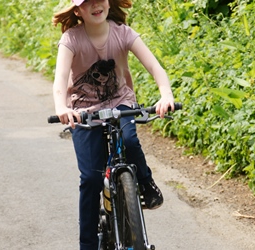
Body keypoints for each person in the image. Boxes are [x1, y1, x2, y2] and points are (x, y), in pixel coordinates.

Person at [52, 0, 175, 249]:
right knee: (90, 178)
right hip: (84, 112)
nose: (96, 5)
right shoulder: (71, 40)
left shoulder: (122, 33)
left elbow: (155, 67)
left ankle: (145, 182)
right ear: (78, 11)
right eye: (87, 3)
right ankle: (87, 244)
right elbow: (60, 81)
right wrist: (62, 108)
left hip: (120, 102)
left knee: (130, 140)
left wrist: (166, 94)